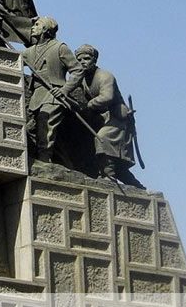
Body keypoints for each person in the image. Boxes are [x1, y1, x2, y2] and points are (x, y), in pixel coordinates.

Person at [74, 44, 145, 189]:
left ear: (94, 60)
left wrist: (88, 105)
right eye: (79, 59)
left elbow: (107, 97)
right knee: (119, 166)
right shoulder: (82, 78)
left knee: (102, 137)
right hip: (102, 116)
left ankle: (109, 176)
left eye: (86, 58)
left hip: (118, 117)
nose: (83, 62)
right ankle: (136, 186)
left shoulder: (105, 76)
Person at [23, 17, 84, 164]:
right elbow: (9, 59)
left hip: (54, 94)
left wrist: (64, 90)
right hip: (37, 96)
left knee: (45, 125)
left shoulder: (59, 47)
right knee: (31, 128)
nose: (32, 28)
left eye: (36, 25)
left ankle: (44, 161)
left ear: (45, 29)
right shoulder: (30, 52)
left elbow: (78, 70)